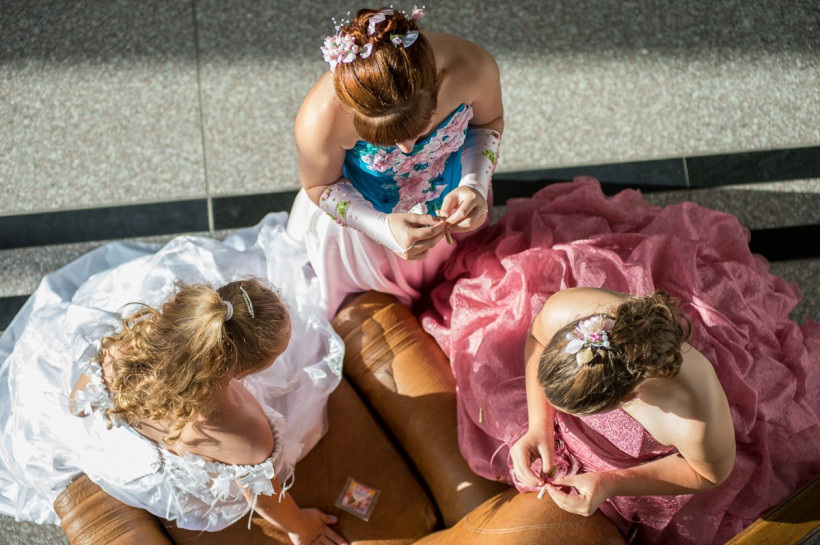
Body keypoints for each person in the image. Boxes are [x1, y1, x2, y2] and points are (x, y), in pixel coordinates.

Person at [420, 178, 820, 544]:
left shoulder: (691, 417)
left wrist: (610, 483)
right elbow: (539, 337)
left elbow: (708, 473)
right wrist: (539, 425)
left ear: (626, 398)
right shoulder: (570, 310)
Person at [0, 214, 345, 543]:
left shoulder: (126, 348)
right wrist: (301, 528)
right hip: (164, 469)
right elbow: (263, 498)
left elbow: (80, 404)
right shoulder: (247, 431)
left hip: (125, 448)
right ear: (244, 371)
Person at [286, 5, 504, 316]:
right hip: (363, 230)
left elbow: (487, 123)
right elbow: (320, 185)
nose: (406, 149)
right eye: (386, 141)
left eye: (420, 131)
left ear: (437, 85)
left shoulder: (472, 68)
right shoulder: (319, 120)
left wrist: (475, 185)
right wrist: (381, 228)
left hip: (453, 198)